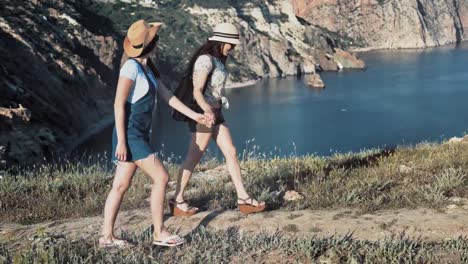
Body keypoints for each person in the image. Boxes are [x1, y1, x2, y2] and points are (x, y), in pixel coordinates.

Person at [99, 19, 211, 248]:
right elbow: (118, 104)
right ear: (152, 44)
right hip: (130, 135)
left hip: (136, 134)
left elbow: (167, 96)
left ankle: (106, 237)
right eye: (156, 40)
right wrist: (121, 140)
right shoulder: (130, 67)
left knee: (120, 186)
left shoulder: (146, 68)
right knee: (161, 177)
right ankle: (159, 232)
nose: (158, 43)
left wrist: (194, 115)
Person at [171, 23, 266, 217]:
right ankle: (177, 200)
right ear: (221, 42)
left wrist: (216, 107)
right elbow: (197, 92)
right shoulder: (205, 60)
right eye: (230, 43)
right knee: (194, 156)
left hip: (216, 112)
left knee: (231, 151)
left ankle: (243, 198)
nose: (233, 47)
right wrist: (207, 111)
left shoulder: (218, 59)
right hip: (203, 113)